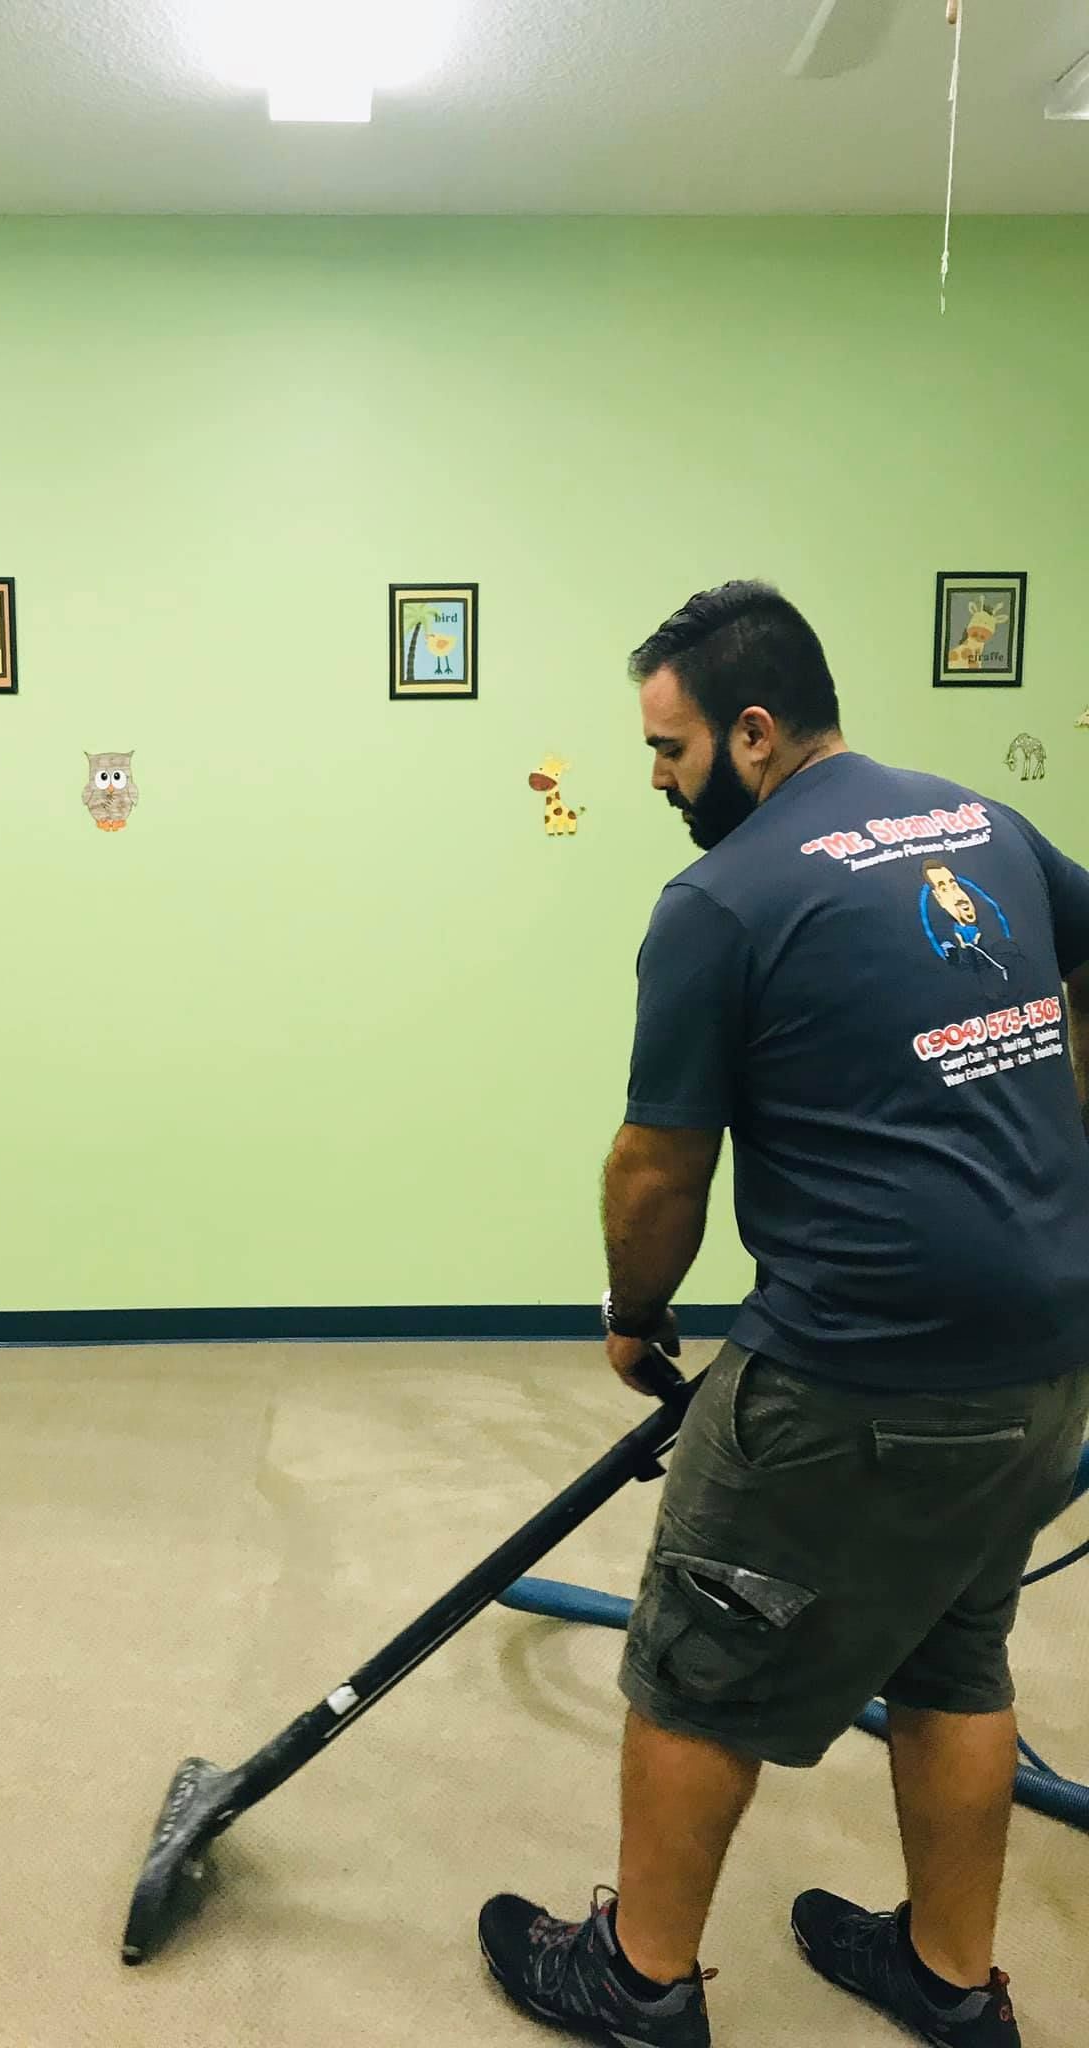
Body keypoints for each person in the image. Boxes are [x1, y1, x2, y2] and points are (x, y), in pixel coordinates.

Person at [477, 582, 1089, 2048]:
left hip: (850, 1371)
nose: (656, 779)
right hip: (1045, 1352)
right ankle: (949, 1983)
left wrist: (636, 1318)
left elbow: (655, 1166)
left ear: (755, 733)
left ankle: (636, 1982)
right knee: (952, 1653)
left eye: (672, 749)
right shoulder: (973, 823)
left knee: (696, 1660)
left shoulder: (722, 898)